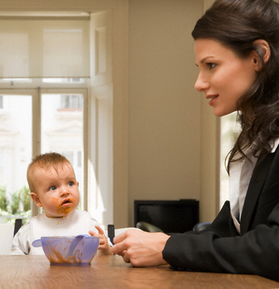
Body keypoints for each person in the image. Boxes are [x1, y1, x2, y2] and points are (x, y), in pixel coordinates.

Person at [111, 0, 279, 281]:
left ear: (258, 56)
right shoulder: (257, 143)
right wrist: (155, 243)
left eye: (211, 65)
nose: (199, 82)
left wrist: (167, 247)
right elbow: (229, 234)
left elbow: (273, 248)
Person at [11, 152, 112, 256]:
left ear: (77, 186)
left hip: (82, 273)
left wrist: (106, 250)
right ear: (37, 200)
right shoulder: (29, 230)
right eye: (53, 187)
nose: (65, 191)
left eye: (70, 183)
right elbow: (15, 263)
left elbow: (109, 258)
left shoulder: (89, 223)